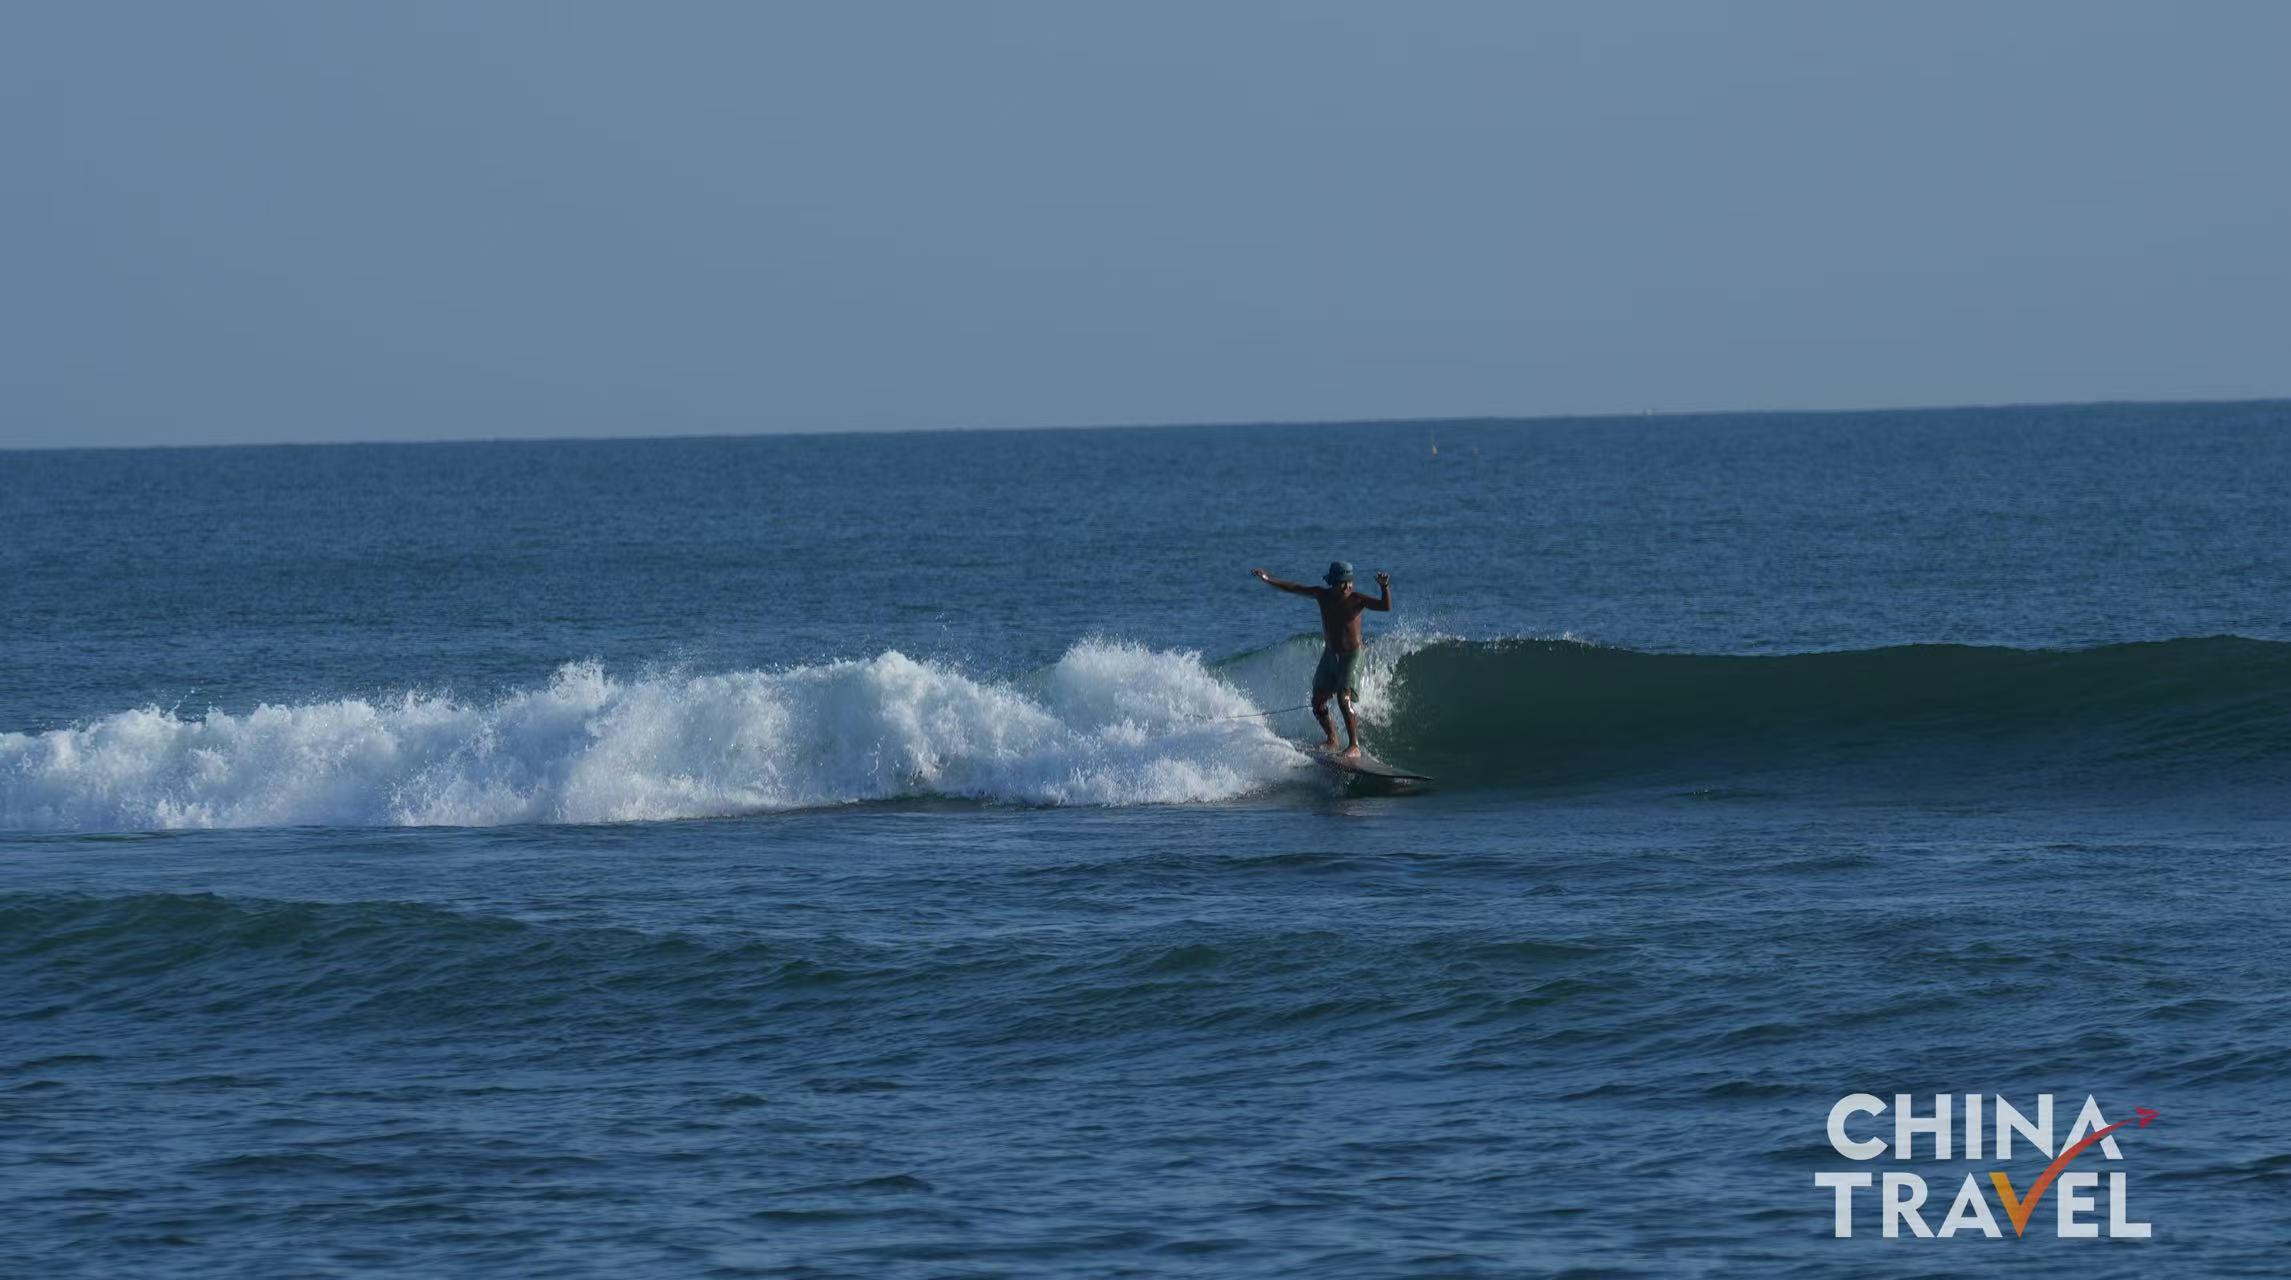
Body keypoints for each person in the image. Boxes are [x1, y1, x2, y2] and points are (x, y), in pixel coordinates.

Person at [1250, 561, 1392, 757]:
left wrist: (1384, 588)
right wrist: (1268, 579)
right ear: (1334, 583)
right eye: (1342, 583)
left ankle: (1354, 746)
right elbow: (1294, 588)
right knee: (1317, 701)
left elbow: (1385, 607)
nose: (1347, 587)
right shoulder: (1322, 595)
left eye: (1349, 583)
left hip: (1352, 655)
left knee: (1344, 698)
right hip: (1330, 655)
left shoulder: (1357, 600)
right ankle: (1332, 739)